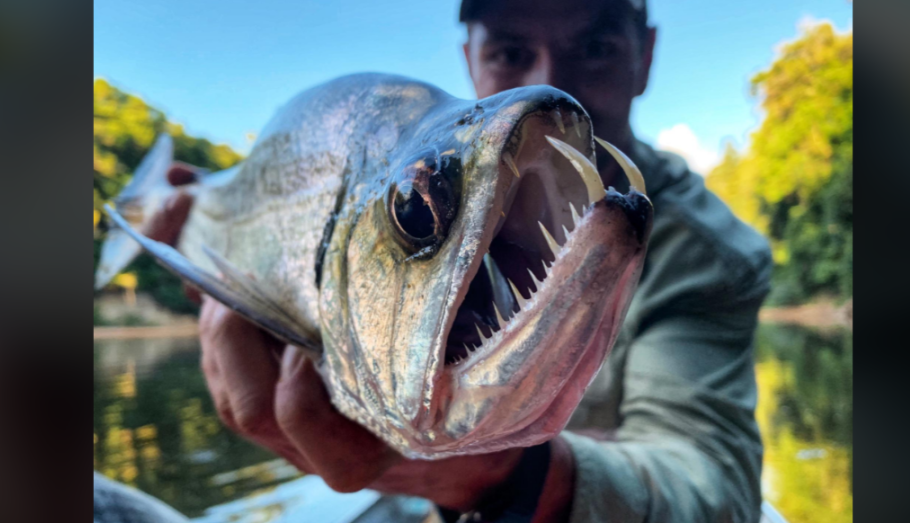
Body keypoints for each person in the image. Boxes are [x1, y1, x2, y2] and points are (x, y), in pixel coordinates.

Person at [148, 0, 773, 521]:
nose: (554, 81)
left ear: (647, 55)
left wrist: (500, 474)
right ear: (467, 59)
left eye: (597, 46)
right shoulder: (421, 173)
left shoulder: (711, 253)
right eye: (509, 51)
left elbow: (716, 491)